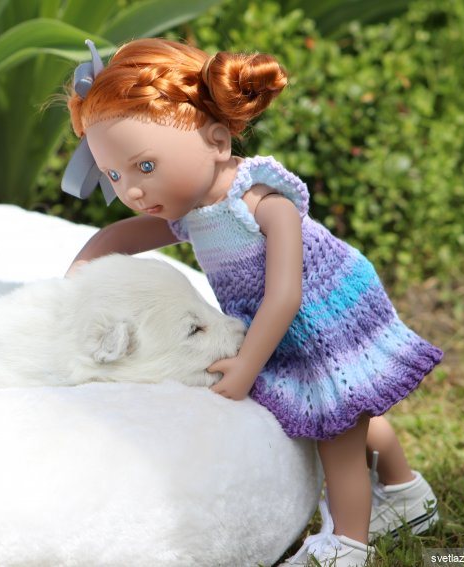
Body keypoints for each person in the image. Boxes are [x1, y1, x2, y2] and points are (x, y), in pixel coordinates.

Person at [61, 37, 443, 567]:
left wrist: (246, 367)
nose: (132, 191)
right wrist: (77, 283)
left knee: (336, 431)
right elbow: (118, 237)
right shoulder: (189, 210)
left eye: (145, 167)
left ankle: (348, 542)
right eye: (114, 175)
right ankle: (406, 492)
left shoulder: (260, 202)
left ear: (217, 141)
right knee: (352, 409)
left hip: (327, 319)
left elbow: (285, 296)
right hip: (282, 323)